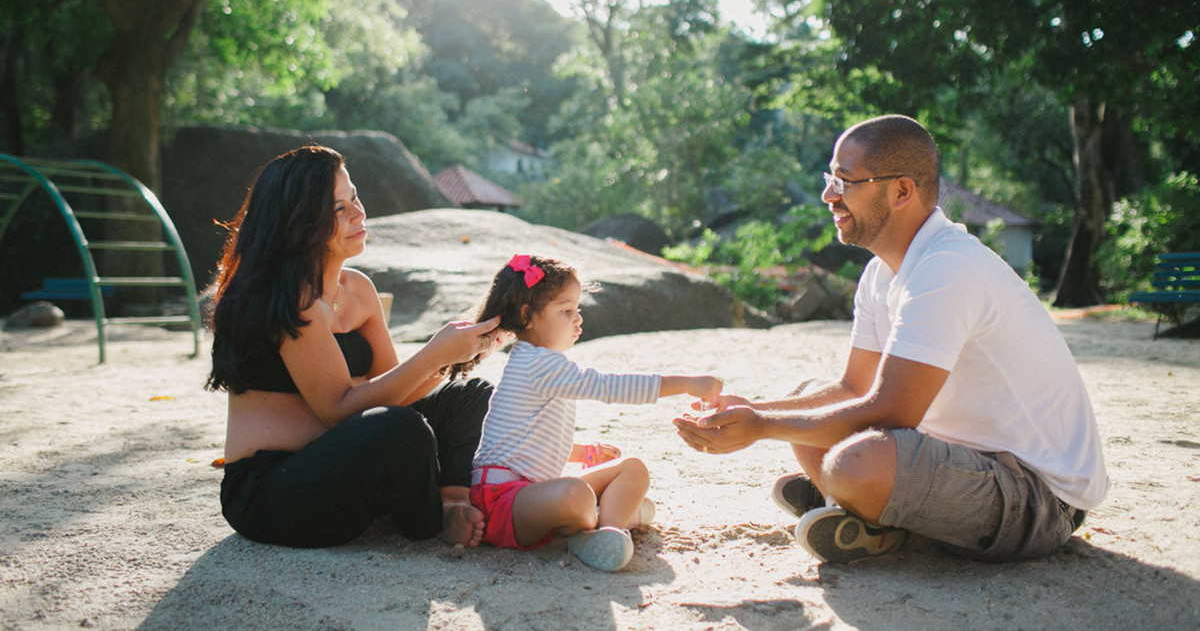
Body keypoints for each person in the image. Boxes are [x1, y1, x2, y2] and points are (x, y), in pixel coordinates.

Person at [674, 114, 1108, 564]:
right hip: (967, 460)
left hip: (1039, 499)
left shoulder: (948, 269)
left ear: (901, 191)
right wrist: (751, 410)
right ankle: (866, 513)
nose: (829, 195)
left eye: (844, 181)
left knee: (852, 464)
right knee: (809, 400)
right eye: (831, 178)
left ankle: (867, 511)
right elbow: (854, 389)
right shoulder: (882, 273)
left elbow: (894, 410)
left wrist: (761, 428)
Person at [206, 144, 506, 548]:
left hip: (343, 462)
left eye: (355, 198)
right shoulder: (289, 300)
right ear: (298, 221)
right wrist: (436, 352)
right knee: (399, 430)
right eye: (338, 209)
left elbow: (396, 390)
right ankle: (428, 520)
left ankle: (452, 500)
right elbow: (338, 409)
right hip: (273, 489)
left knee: (470, 396)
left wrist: (466, 351)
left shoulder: (358, 289)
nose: (359, 214)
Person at [468, 254, 723, 571]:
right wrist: (685, 384)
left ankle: (609, 531)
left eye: (578, 309)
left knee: (633, 468)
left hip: (535, 492)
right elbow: (607, 386)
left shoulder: (542, 363)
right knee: (576, 494)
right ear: (526, 316)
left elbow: (526, 438)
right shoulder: (536, 363)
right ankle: (610, 518)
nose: (578, 320)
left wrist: (583, 452)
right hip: (502, 501)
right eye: (566, 311)